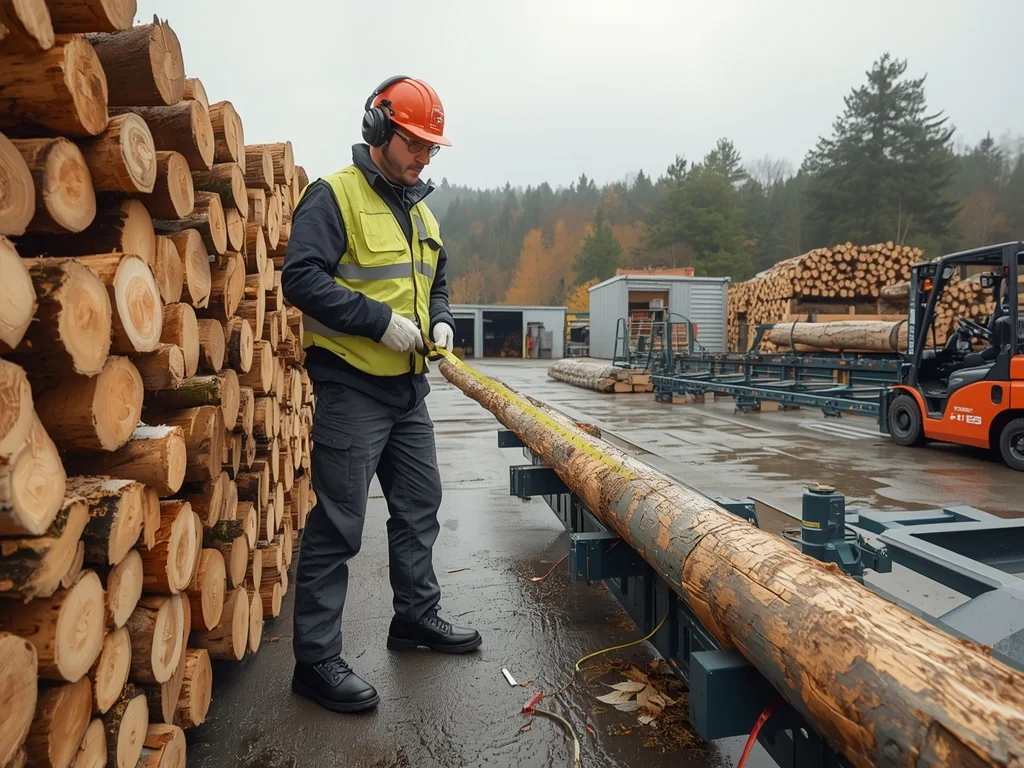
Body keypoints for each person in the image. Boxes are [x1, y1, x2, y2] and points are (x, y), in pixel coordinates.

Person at [281, 75, 482, 715]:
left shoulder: (422, 211)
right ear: (378, 129)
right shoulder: (332, 196)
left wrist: (441, 319)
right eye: (415, 143)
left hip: (407, 391)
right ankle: (315, 662)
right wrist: (377, 322)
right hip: (352, 385)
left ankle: (415, 618)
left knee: (420, 506)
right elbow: (300, 278)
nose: (425, 157)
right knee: (340, 523)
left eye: (431, 148)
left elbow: (437, 282)